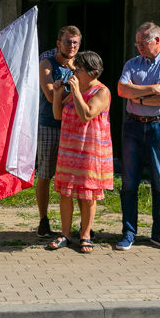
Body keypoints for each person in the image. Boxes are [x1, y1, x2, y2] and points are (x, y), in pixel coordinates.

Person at [116, 22, 160, 251]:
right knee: (129, 183)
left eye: (143, 43)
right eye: (136, 43)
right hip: (133, 127)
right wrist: (153, 88)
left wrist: (140, 98)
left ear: (157, 41)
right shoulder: (131, 64)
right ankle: (128, 232)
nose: (139, 47)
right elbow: (122, 90)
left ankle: (159, 233)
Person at [45, 51, 113, 254]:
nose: (74, 72)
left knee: (87, 194)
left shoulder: (101, 92)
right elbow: (57, 114)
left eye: (79, 69)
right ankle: (65, 234)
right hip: (69, 148)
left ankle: (85, 234)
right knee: (66, 192)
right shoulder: (74, 89)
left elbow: (87, 115)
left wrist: (74, 91)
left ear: (92, 72)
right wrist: (58, 93)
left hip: (90, 149)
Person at [35, 26, 80, 237]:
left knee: (76, 176)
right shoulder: (47, 63)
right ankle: (43, 220)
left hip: (74, 127)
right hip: (49, 125)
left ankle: (79, 225)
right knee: (45, 174)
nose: (71, 46)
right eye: (68, 42)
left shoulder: (80, 66)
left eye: (75, 43)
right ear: (58, 43)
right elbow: (51, 97)